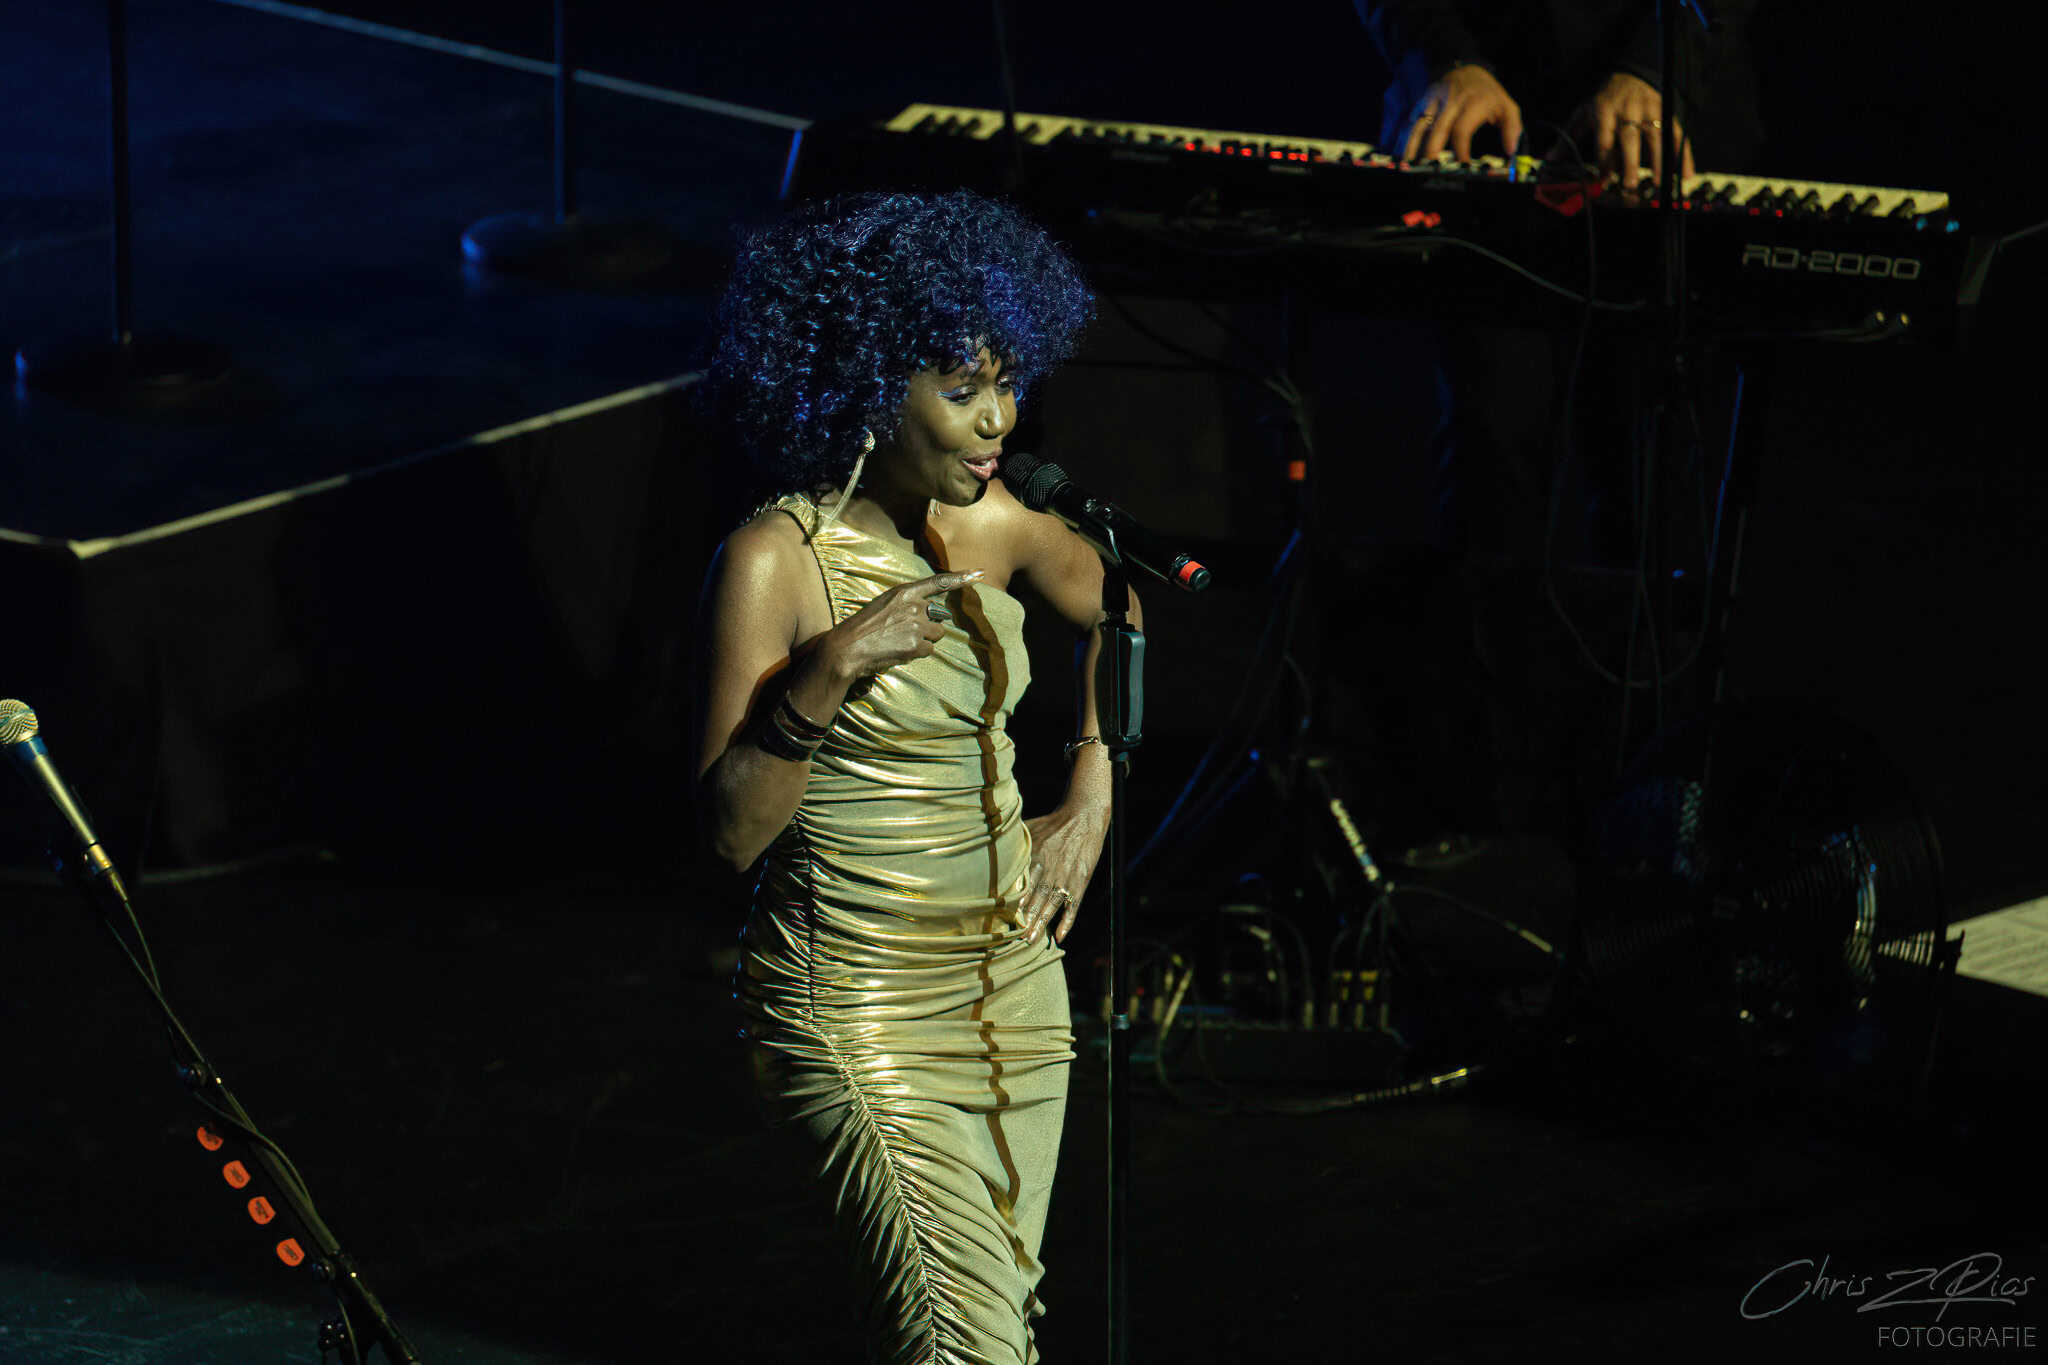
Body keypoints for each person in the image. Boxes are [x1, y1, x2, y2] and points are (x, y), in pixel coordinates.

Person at [691, 188, 1127, 1364]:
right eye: (960, 389)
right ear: (869, 383)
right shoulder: (773, 561)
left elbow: (1120, 610)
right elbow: (730, 836)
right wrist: (827, 671)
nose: (998, 420)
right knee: (961, 1342)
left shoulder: (997, 522)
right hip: (859, 1010)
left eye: (1006, 382)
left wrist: (1089, 791)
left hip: (1015, 992)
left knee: (992, 1337)